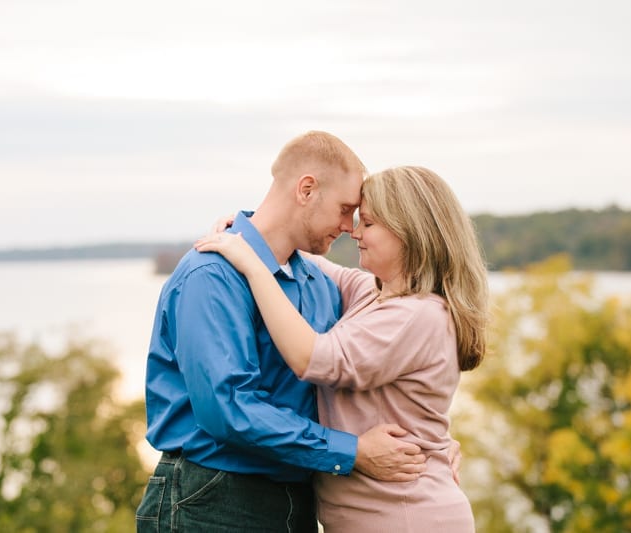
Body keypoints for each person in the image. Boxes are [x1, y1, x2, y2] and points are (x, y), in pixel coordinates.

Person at [136, 132, 430, 533]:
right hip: (213, 496)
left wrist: (432, 447)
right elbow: (228, 410)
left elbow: (356, 377)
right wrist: (353, 451)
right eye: (346, 210)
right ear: (306, 190)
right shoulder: (211, 275)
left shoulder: (320, 285)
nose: (349, 227)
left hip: (299, 497)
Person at [196, 165, 489, 532]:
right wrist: (250, 233)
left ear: (409, 232)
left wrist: (251, 266)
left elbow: (311, 358)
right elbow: (311, 262)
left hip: (405, 516)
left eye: (367, 223)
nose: (354, 232)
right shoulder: (373, 293)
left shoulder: (418, 315)